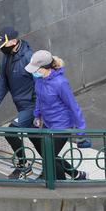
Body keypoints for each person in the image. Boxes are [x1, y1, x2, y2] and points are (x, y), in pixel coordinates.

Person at [25, 50, 88, 181]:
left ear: (44, 68)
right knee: (49, 154)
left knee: (49, 156)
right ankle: (76, 175)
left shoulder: (60, 83)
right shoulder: (39, 80)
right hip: (48, 123)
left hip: (62, 126)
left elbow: (73, 106)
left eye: (35, 69)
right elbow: (39, 98)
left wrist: (81, 132)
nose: (33, 72)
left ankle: (59, 182)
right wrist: (37, 115)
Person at [0, 27, 36, 179]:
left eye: (3, 44)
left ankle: (24, 166)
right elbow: (2, 82)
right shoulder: (8, 56)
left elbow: (42, 85)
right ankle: (74, 174)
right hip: (22, 107)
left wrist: (40, 111)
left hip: (32, 106)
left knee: (10, 132)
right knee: (40, 142)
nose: (1, 48)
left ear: (14, 41)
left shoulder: (29, 57)